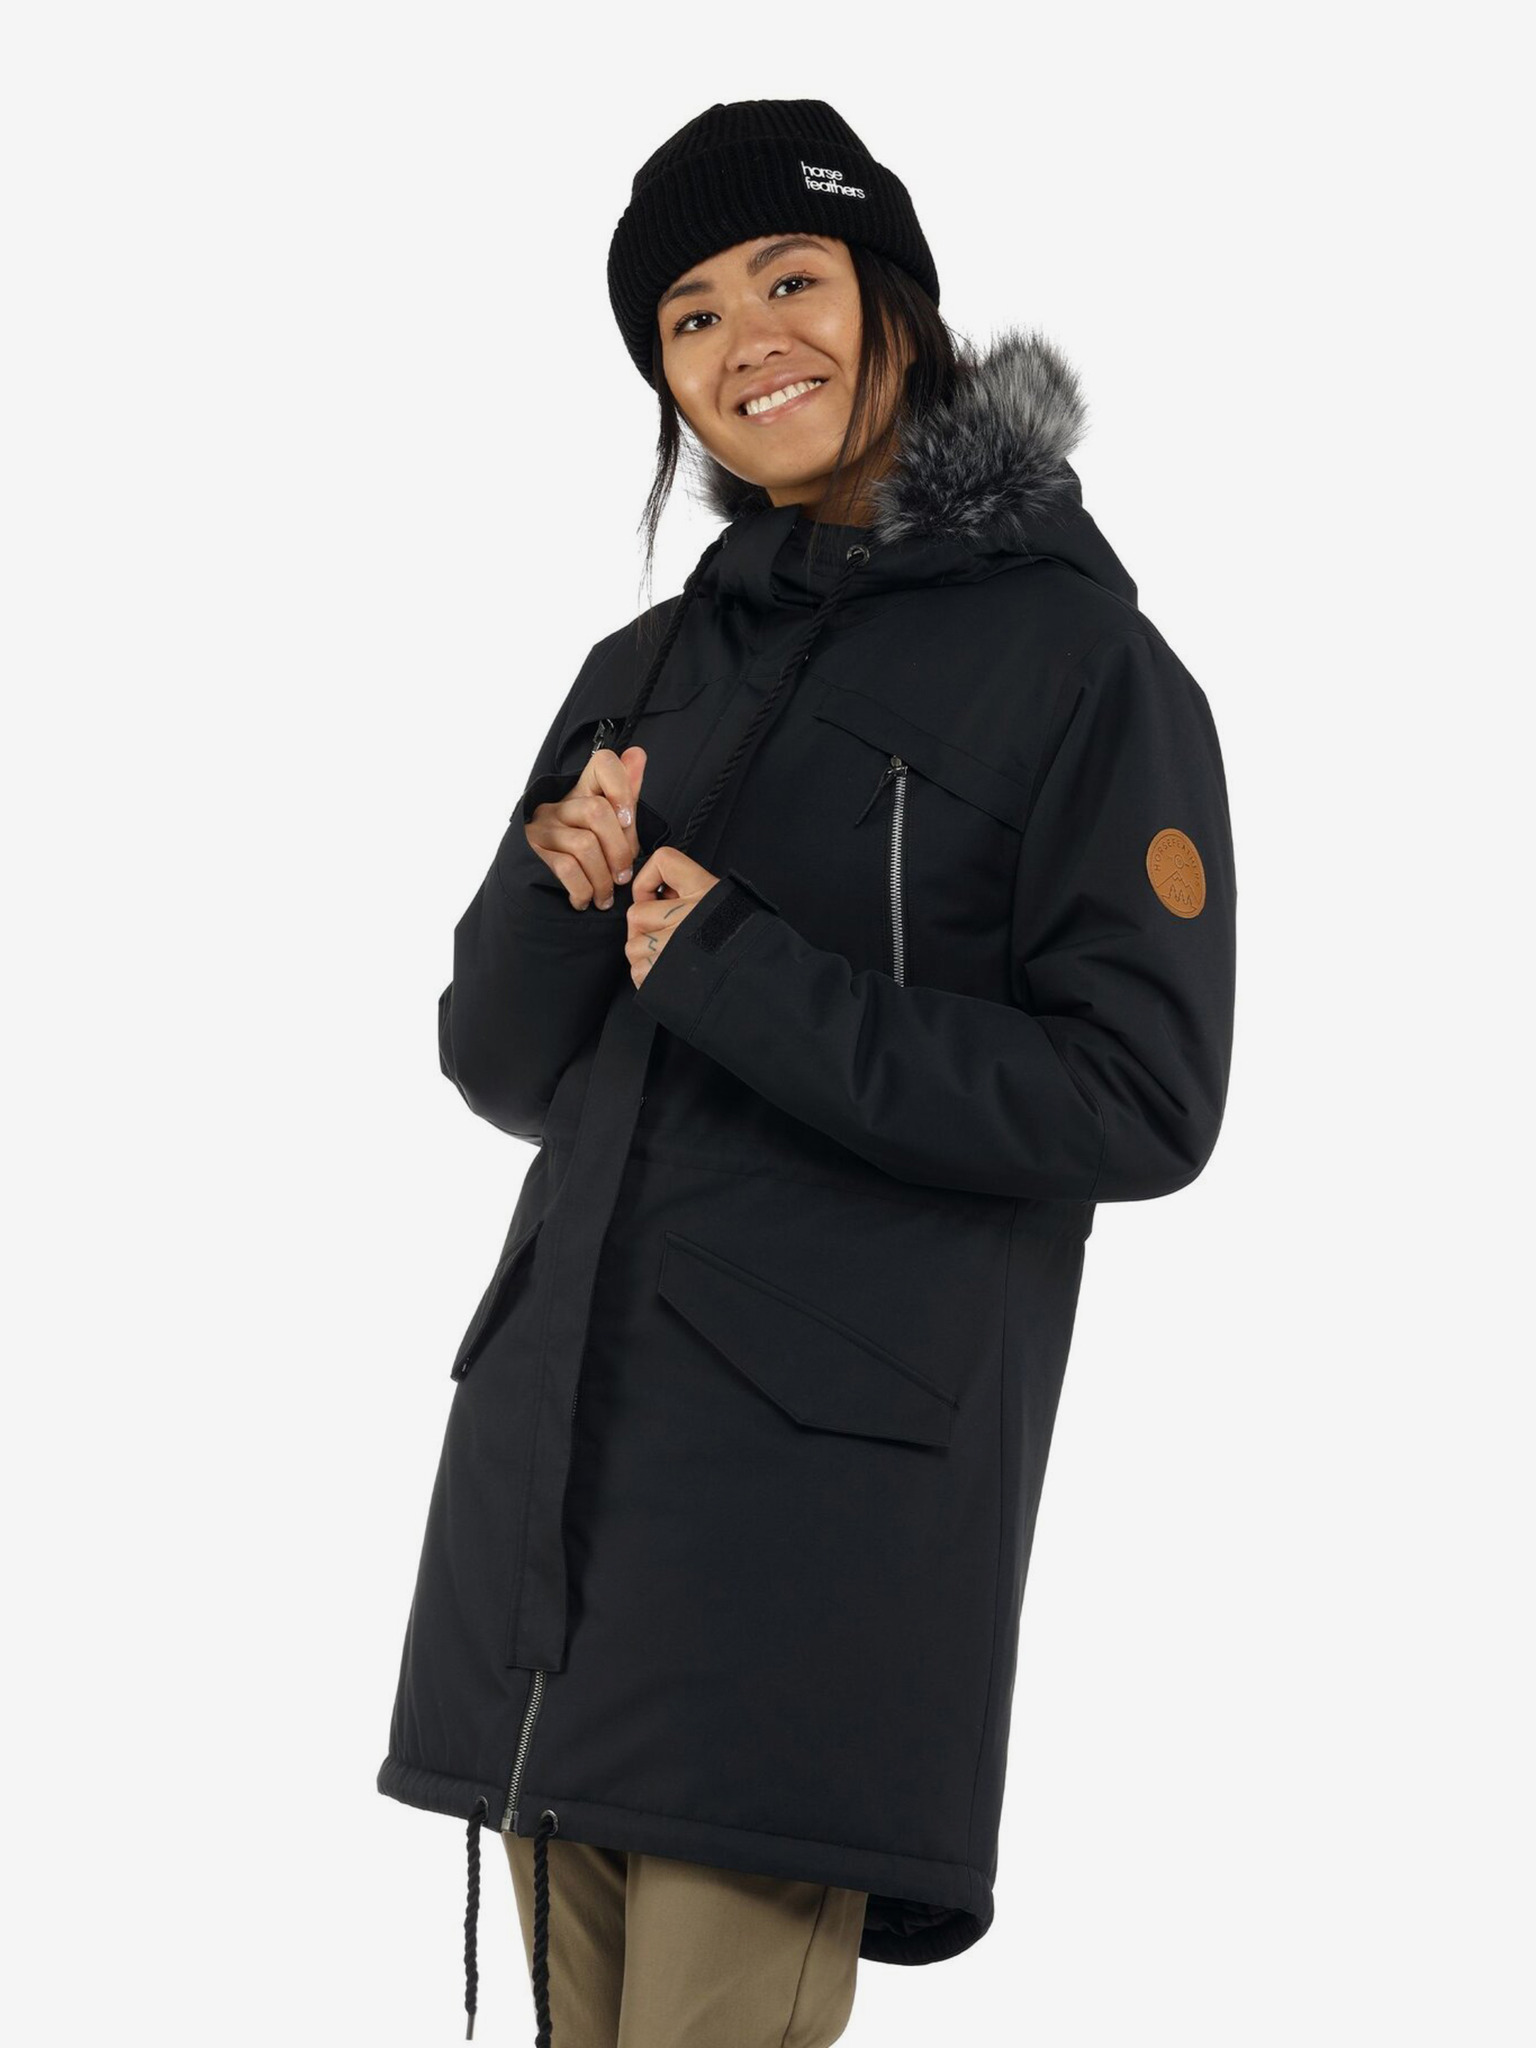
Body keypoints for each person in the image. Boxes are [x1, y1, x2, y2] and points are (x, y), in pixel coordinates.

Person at [377, 97, 1238, 2048]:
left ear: (895, 307)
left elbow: (1140, 1095)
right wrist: (550, 895)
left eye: (791, 279)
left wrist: (742, 972)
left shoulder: (1079, 667)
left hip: (812, 1522)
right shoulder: (646, 665)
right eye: (688, 314)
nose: (745, 339)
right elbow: (502, 1067)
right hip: (558, 1493)